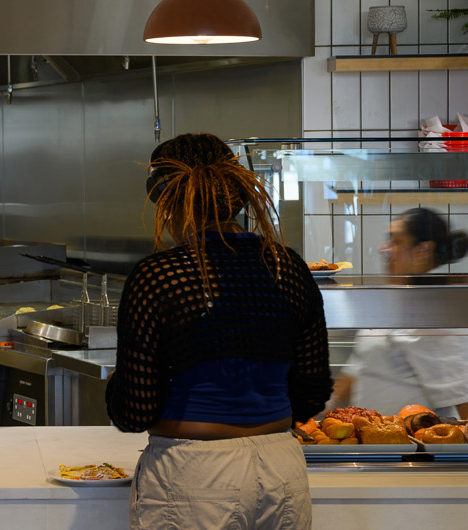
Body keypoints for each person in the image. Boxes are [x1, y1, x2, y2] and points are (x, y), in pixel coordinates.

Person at [106, 133, 330, 530]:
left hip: (194, 472)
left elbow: (134, 409)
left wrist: (115, 385)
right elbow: (311, 390)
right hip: (282, 468)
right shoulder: (288, 267)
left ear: (165, 200)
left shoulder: (159, 276)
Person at [331, 207, 468, 419]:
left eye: (395, 241)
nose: (384, 249)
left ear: (423, 251)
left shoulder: (441, 316)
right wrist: (321, 410)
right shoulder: (390, 300)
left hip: (416, 448)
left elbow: (466, 399)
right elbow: (359, 368)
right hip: (374, 443)